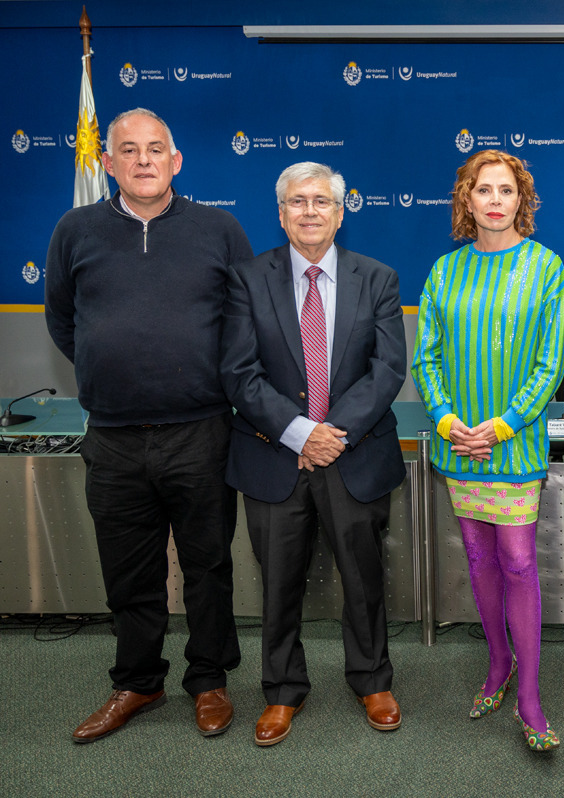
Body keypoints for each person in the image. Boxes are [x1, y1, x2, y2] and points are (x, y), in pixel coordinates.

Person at [44, 108, 252, 742]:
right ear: (107, 162)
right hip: (112, 437)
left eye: (155, 149)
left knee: (208, 564)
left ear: (175, 160)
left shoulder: (219, 229)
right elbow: (63, 321)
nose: (142, 160)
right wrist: (118, 368)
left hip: (201, 431)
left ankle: (209, 680)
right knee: (128, 571)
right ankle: (137, 682)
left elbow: (244, 322)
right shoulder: (74, 229)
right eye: (128, 150)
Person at [220, 162, 407, 746]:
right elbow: (239, 372)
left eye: (320, 202)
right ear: (280, 213)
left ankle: (372, 679)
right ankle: (280, 690)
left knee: (364, 578)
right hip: (275, 458)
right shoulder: (248, 279)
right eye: (297, 202)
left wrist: (332, 433)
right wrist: (300, 433)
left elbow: (388, 368)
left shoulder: (377, 278)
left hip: (355, 457)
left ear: (340, 210)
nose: (309, 212)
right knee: (278, 584)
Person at [411, 150, 564, 752]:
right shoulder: (444, 272)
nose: (495, 200)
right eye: (484, 190)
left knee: (518, 562)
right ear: (467, 201)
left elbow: (550, 363)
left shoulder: (547, 267)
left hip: (513, 448)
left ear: (520, 200)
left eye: (507, 190)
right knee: (478, 561)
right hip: (458, 447)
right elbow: (426, 358)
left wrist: (499, 428)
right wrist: (450, 421)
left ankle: (529, 699)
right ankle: (497, 665)